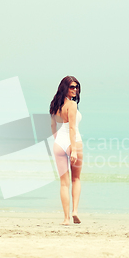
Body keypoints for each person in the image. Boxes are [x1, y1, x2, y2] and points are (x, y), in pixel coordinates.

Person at [49, 76, 83, 225]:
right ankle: (74, 211)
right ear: (65, 88)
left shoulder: (54, 104)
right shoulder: (72, 105)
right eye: (72, 87)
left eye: (76, 87)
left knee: (64, 183)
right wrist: (74, 149)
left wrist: (58, 140)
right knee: (75, 179)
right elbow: (71, 127)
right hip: (73, 143)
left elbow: (52, 126)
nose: (75, 89)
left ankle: (66, 219)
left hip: (58, 144)